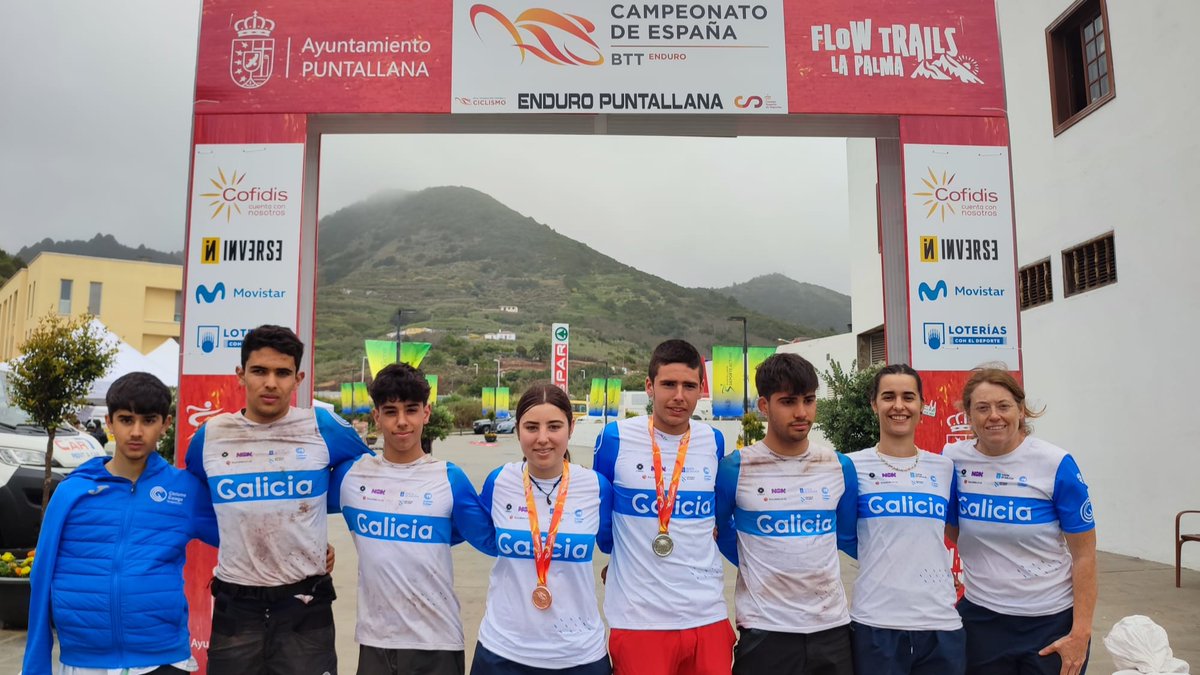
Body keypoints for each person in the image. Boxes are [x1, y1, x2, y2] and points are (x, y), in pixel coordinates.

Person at [185, 324, 371, 675]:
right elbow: (200, 506)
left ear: (297, 379)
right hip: (235, 608)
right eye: (259, 371)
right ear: (241, 375)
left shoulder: (323, 427)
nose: (271, 382)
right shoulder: (210, 437)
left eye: (282, 373)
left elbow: (368, 474)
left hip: (305, 605)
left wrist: (311, 532)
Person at [24, 371, 218, 675]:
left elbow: (241, 533)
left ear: (166, 424)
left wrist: (309, 547)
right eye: (127, 419)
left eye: (149, 420)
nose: (137, 431)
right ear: (110, 423)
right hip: (84, 660)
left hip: (162, 658)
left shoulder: (184, 490)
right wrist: (36, 665)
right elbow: (41, 576)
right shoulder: (72, 491)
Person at [336, 363, 494, 675]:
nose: (402, 422)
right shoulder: (350, 476)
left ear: (427, 413)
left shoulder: (450, 478)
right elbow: (300, 506)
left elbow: (490, 539)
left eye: (411, 409)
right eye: (391, 411)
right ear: (376, 416)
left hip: (437, 643)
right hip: (375, 641)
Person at [593, 339, 733, 675]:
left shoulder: (713, 440)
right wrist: (624, 557)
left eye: (689, 386)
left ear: (701, 390)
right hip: (639, 618)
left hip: (708, 615)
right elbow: (602, 521)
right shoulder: (615, 438)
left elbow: (716, 517)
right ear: (649, 387)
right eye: (668, 384)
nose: (679, 396)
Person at [944, 368, 1097, 675]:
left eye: (1004, 406)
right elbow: (952, 527)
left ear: (1021, 409)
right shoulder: (952, 458)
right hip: (982, 620)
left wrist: (1080, 633)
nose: (994, 416)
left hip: (1051, 622)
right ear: (969, 416)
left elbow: (1085, 555)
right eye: (982, 408)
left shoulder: (1055, 463)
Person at [714, 352, 857, 675]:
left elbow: (847, 536)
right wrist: (758, 564)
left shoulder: (839, 466)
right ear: (764, 406)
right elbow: (720, 532)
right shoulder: (734, 468)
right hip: (765, 632)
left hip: (831, 630)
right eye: (788, 401)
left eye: (809, 400)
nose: (802, 412)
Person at [474, 383, 613, 674]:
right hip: (502, 651)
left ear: (571, 428)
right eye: (531, 427)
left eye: (554, 426)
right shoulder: (499, 482)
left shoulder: (595, 487)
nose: (542, 439)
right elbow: (483, 534)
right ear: (517, 429)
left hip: (579, 655)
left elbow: (617, 544)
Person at [844, 364, 963, 675]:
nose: (899, 406)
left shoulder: (944, 468)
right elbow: (845, 536)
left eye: (908, 397)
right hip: (876, 622)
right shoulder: (850, 467)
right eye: (888, 397)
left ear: (922, 405)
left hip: (940, 623)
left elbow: (954, 532)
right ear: (874, 404)